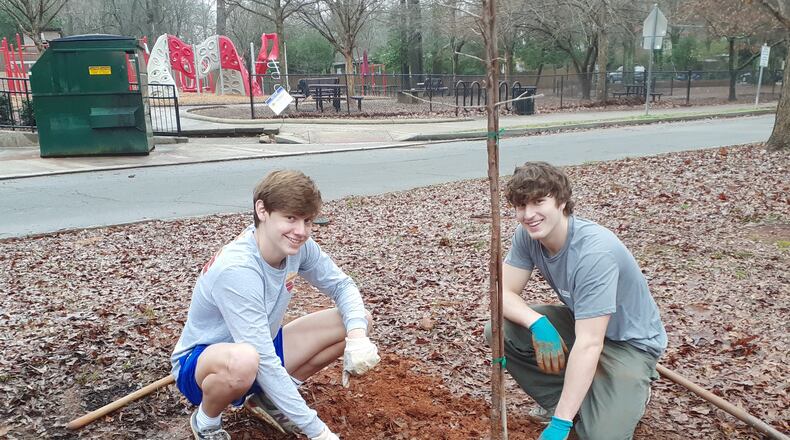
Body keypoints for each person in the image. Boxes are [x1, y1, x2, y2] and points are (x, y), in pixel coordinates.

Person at [170, 170, 380, 440]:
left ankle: (268, 400)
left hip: (260, 348)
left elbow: (342, 285)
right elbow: (263, 361)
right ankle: (206, 421)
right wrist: (319, 433)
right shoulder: (238, 269)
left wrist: (358, 338)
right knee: (245, 360)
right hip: (203, 363)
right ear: (262, 210)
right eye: (290, 218)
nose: (301, 231)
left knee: (357, 320)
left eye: (307, 220)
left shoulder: (298, 246)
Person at [484, 162, 667, 440]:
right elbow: (501, 294)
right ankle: (570, 403)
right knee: (501, 331)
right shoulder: (528, 236)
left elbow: (590, 343)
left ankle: (626, 395)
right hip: (585, 324)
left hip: (628, 345)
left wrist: (560, 425)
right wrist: (537, 324)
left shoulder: (594, 253)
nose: (528, 215)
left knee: (601, 436)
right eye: (521, 206)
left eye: (538, 202)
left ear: (561, 201)